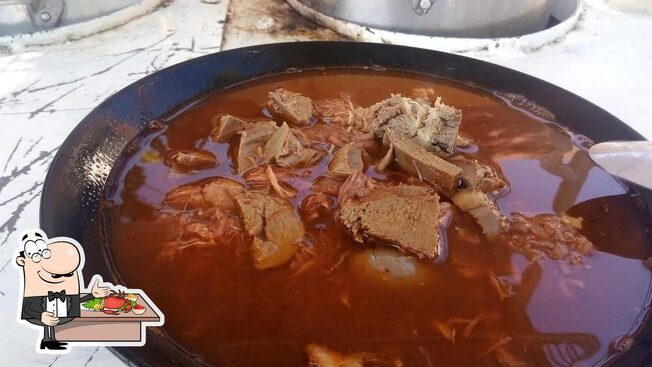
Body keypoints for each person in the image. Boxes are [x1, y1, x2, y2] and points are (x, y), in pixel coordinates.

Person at [15, 230, 111, 350]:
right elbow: (28, 309)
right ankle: (48, 340)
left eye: (69, 273)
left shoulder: (68, 290)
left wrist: (92, 295)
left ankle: (50, 339)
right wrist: (40, 316)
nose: (62, 278)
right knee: (50, 321)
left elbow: (76, 299)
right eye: (56, 275)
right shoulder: (34, 291)